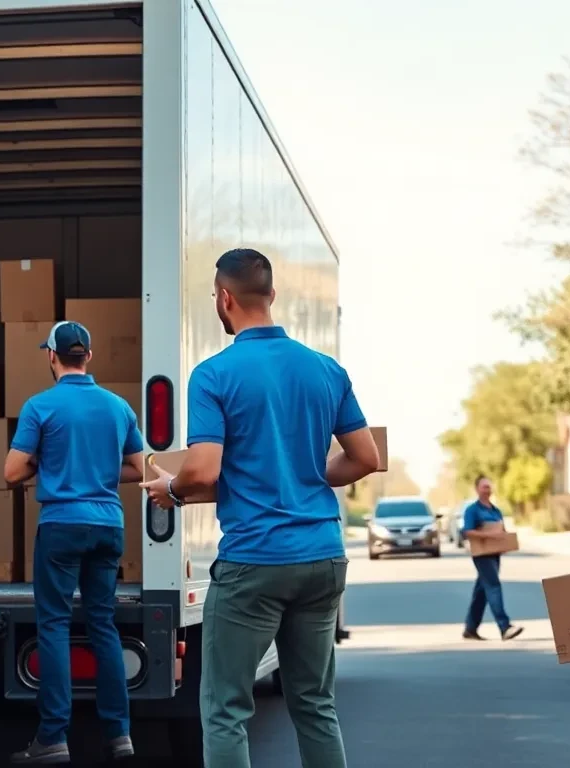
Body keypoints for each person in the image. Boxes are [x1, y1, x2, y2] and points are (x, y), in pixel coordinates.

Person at [141, 248, 380, 768]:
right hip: (321, 557)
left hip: (255, 561)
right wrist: (309, 474)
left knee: (225, 709)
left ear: (224, 299)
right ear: (271, 295)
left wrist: (172, 491)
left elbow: (203, 469)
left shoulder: (214, 374)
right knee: (315, 705)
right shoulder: (326, 370)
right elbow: (365, 458)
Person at [3, 320, 144, 765]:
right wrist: (99, 473)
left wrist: (47, 468)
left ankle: (53, 738)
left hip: (62, 526)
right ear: (89, 356)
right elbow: (140, 469)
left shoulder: (40, 407)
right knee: (103, 625)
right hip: (108, 528)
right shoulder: (118, 407)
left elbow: (10, 472)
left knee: (55, 626)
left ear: (52, 356)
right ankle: (119, 735)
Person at [460, 476, 524, 641]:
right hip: (481, 555)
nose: (487, 490)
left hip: (494, 554)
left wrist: (503, 543)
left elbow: (502, 531)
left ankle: (470, 628)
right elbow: (467, 532)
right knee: (493, 586)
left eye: (489, 487)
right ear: (477, 489)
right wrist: (488, 535)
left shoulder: (495, 510)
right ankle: (504, 627)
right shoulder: (472, 510)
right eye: (484, 487)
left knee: (481, 591)